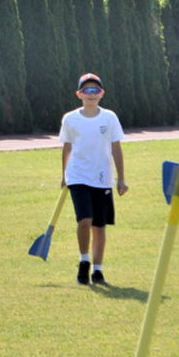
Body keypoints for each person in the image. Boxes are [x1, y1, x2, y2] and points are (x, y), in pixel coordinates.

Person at [59, 73, 128, 286]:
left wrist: (121, 179)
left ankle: (98, 270)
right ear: (79, 94)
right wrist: (64, 176)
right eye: (87, 91)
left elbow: (116, 147)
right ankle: (84, 262)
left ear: (102, 94)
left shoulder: (109, 118)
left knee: (99, 226)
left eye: (95, 91)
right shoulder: (70, 119)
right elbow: (67, 147)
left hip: (102, 178)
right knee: (84, 220)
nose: (91, 94)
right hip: (78, 176)